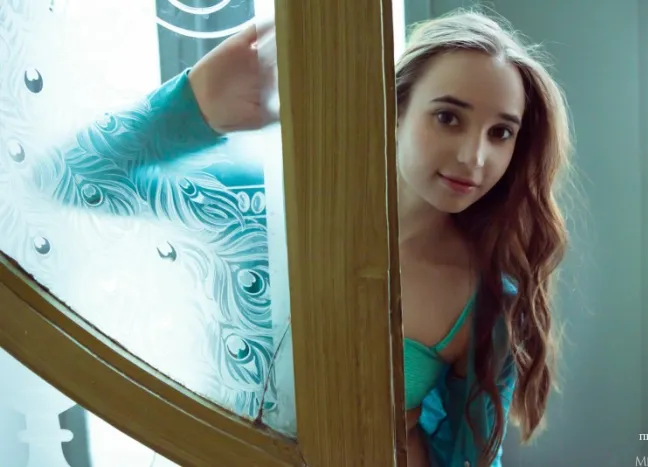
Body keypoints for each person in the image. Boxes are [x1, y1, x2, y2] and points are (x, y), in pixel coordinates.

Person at [27, 8, 571, 467]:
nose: (474, 156)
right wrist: (193, 103)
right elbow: (62, 179)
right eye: (449, 118)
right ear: (395, 108)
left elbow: (472, 459)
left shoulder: (483, 298)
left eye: (501, 133)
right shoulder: (263, 203)